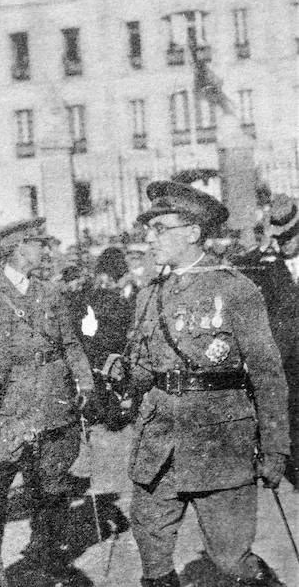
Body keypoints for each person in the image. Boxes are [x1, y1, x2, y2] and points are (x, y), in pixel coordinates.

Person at [111, 180, 289, 587]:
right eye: (148, 230)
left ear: (192, 233)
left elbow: (267, 373)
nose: (149, 239)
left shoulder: (235, 289)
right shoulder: (147, 296)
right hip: (157, 446)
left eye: (160, 229)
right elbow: (141, 368)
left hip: (219, 444)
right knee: (154, 562)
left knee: (230, 561)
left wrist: (276, 447)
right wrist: (123, 378)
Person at [0, 219, 97, 586]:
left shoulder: (51, 292)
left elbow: (70, 344)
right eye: (37, 245)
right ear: (18, 248)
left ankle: (47, 554)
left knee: (50, 485)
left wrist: (86, 382)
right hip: (8, 410)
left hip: (53, 402)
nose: (45, 252)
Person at [233, 193, 299, 489]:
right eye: (281, 237)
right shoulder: (265, 265)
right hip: (287, 361)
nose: (286, 243)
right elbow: (238, 273)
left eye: (291, 236)